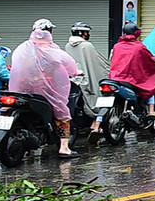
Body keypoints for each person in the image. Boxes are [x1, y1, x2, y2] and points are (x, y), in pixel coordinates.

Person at [9, 20, 81, 157]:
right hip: (45, 92)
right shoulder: (53, 51)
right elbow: (71, 68)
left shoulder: (21, 48)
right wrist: (77, 72)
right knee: (62, 114)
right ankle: (64, 148)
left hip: (20, 91)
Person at [65, 23, 108, 136]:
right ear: (83, 33)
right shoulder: (87, 46)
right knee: (100, 99)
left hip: (74, 80)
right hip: (87, 79)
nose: (88, 35)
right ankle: (95, 125)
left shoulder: (67, 46)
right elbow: (98, 63)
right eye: (87, 33)